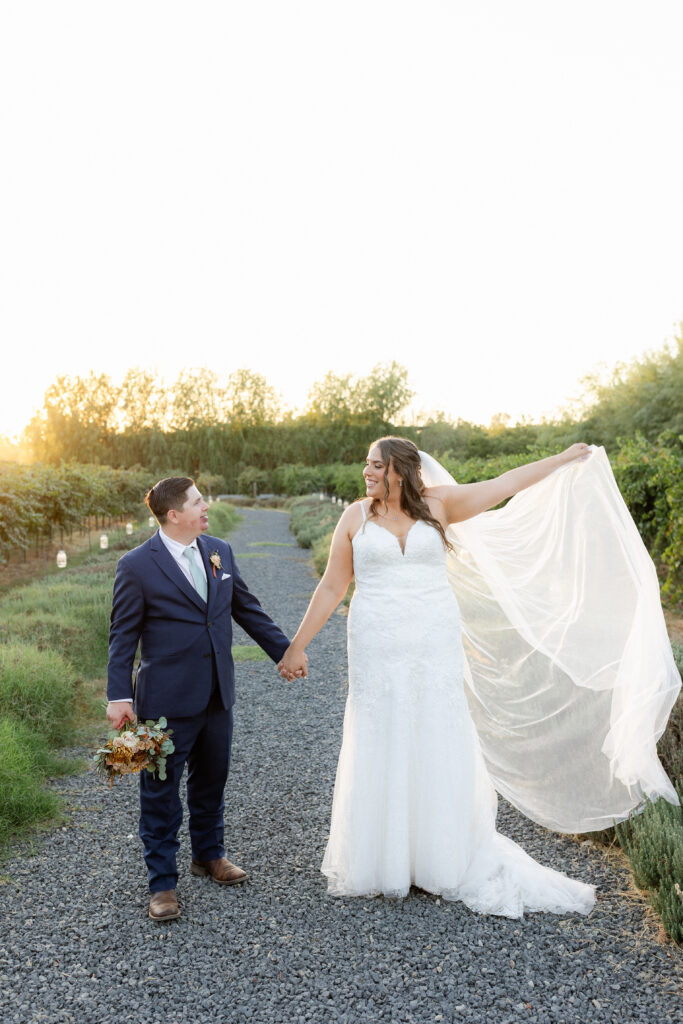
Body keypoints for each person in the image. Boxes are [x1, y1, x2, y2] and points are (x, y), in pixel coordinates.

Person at [278, 436, 679, 917]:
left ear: (400, 472)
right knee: (380, 731)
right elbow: (332, 584)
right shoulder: (355, 517)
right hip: (377, 643)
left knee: (437, 731)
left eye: (374, 465)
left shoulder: (440, 504)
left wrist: (562, 459)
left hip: (434, 641)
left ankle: (440, 857)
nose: (365, 473)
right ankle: (382, 859)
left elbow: (505, 484)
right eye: (366, 464)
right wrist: (296, 645)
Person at [107, 477, 302, 921]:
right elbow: (122, 638)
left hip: (217, 691)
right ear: (173, 514)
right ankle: (162, 884)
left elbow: (247, 609)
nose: (205, 507)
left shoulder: (219, 550)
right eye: (197, 502)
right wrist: (118, 695)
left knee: (212, 779)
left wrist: (286, 653)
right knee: (158, 791)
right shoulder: (136, 565)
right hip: (161, 701)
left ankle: (209, 856)